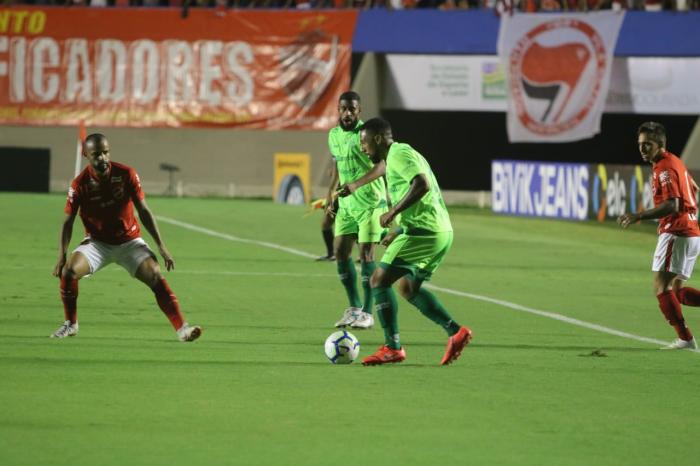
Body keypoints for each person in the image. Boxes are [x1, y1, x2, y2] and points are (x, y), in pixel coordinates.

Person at [51, 133, 202, 342]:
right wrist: (61, 256)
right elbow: (67, 222)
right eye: (96, 154)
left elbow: (144, 210)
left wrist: (161, 246)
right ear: (86, 154)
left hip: (130, 242)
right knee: (69, 271)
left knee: (156, 275)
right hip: (98, 244)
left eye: (105, 152)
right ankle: (71, 324)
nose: (102, 158)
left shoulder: (126, 174)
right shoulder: (79, 185)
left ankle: (182, 329)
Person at [349, 117, 472, 365]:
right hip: (437, 232)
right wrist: (400, 227)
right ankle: (455, 332)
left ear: (377, 139)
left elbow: (422, 184)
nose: (363, 149)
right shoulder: (399, 156)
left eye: (364, 143)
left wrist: (392, 213)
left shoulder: (399, 153)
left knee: (378, 280)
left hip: (424, 232)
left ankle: (392, 347)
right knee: (407, 288)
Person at [618, 122, 699, 350]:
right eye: (640, 145)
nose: (642, 149)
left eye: (648, 145)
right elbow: (692, 185)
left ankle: (685, 339)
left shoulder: (665, 167)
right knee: (677, 291)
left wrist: (639, 216)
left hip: (677, 232)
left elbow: (672, 205)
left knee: (660, 287)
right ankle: (686, 339)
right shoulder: (673, 161)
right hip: (690, 232)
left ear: (660, 145)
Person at [325, 91, 387, 330]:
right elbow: (339, 165)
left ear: (359, 110)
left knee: (366, 256)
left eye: (352, 109)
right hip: (348, 204)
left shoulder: (367, 134)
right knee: (340, 252)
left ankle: (367, 313)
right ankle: (353, 308)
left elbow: (381, 166)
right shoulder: (333, 135)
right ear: (338, 110)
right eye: (343, 108)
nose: (347, 113)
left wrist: (355, 185)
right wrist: (332, 194)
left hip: (370, 202)